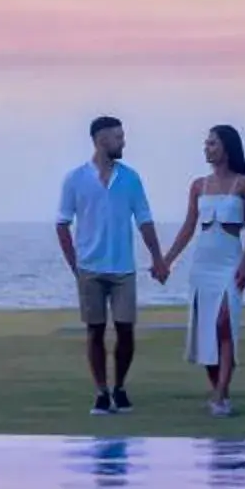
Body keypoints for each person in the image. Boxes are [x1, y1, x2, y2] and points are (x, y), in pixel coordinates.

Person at [55, 114, 162, 415]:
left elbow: (144, 219)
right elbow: (62, 224)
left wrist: (157, 257)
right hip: (90, 268)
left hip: (123, 268)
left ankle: (120, 387)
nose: (123, 141)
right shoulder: (75, 179)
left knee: (126, 330)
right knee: (95, 331)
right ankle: (101, 391)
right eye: (118, 137)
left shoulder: (130, 177)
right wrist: (75, 265)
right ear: (101, 139)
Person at [154, 123, 245, 415]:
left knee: (224, 324)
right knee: (207, 329)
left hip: (230, 263)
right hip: (203, 264)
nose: (207, 148)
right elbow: (188, 228)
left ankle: (222, 393)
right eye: (206, 143)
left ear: (226, 147)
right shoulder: (198, 185)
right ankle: (216, 389)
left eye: (212, 143)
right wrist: (167, 260)